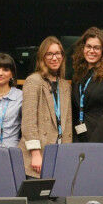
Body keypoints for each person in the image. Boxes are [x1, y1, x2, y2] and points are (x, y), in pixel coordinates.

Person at [20, 36, 73, 178]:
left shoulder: (65, 85)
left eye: (58, 53)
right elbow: (28, 122)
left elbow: (67, 124)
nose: (54, 58)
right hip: (38, 156)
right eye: (49, 54)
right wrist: (35, 153)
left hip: (60, 154)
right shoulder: (33, 81)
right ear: (42, 57)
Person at [71, 27, 103, 144]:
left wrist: (94, 144)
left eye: (96, 48)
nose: (91, 51)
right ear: (83, 48)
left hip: (102, 139)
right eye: (88, 46)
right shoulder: (78, 75)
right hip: (80, 138)